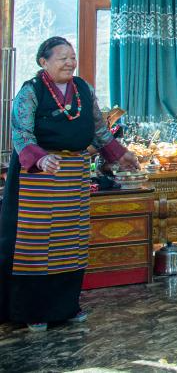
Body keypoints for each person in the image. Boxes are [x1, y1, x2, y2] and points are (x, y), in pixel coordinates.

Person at [0, 37, 140, 331]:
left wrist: (120, 154)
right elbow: (21, 133)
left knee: (70, 240)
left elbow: (99, 129)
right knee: (36, 244)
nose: (70, 63)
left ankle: (66, 307)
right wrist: (40, 159)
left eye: (72, 57)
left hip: (72, 173)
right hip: (36, 177)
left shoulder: (83, 89)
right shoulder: (31, 91)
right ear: (44, 62)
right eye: (62, 58)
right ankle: (32, 310)